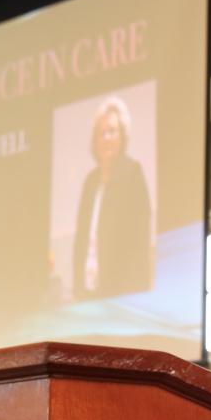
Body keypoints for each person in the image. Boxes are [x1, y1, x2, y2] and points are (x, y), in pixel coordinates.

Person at [72, 96, 152, 299]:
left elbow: (139, 241)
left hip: (121, 295)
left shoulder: (133, 173)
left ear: (122, 136)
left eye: (112, 131)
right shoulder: (90, 182)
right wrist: (77, 290)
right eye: (101, 133)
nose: (106, 138)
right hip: (88, 294)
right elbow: (81, 240)